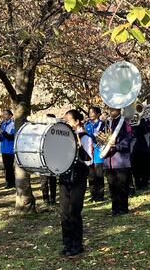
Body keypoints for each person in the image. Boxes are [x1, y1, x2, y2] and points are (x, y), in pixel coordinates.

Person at [59, 109, 92, 256]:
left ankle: (77, 245)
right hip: (64, 177)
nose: (66, 123)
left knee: (74, 211)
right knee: (64, 212)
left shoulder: (85, 137)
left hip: (78, 177)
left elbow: (89, 160)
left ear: (77, 121)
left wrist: (79, 146)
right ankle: (67, 244)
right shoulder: (63, 137)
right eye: (65, 120)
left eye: (69, 120)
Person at [101, 107, 133, 215]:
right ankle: (115, 208)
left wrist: (117, 145)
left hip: (121, 160)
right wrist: (101, 140)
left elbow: (129, 138)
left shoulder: (125, 122)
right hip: (108, 160)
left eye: (113, 110)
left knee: (122, 186)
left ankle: (123, 208)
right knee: (112, 186)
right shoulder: (106, 123)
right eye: (110, 109)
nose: (111, 112)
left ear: (119, 110)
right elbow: (99, 137)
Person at [84, 106, 106, 202]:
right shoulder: (87, 125)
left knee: (99, 174)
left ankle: (100, 195)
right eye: (89, 112)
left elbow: (104, 137)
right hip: (89, 152)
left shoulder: (102, 124)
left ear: (98, 114)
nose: (90, 114)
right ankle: (93, 194)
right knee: (91, 175)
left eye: (92, 112)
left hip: (98, 151)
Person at [131, 115, 150, 192]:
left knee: (145, 166)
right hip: (133, 147)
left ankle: (144, 183)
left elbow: (147, 130)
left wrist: (141, 119)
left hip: (144, 147)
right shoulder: (128, 120)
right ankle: (138, 183)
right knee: (135, 167)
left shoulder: (144, 120)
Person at [40, 113, 58, 205]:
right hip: (42, 158)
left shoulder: (57, 131)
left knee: (52, 180)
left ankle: (53, 199)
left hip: (53, 159)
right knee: (44, 181)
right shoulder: (41, 130)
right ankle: (45, 199)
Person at [0, 109, 16, 189]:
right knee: (6, 167)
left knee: (10, 166)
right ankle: (8, 182)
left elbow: (11, 137)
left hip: (10, 149)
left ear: (10, 115)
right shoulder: (2, 124)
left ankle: (12, 182)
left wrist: (3, 132)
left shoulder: (13, 124)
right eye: (3, 114)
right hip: (3, 148)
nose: (4, 116)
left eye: (6, 114)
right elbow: (1, 136)